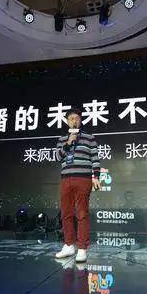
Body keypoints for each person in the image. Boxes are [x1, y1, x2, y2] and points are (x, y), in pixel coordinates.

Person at [54, 107, 101, 262]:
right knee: (66, 213)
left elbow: (95, 158)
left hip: (83, 179)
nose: (74, 120)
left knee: (82, 213)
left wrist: (96, 176)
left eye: (76, 118)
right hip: (66, 179)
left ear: (80, 120)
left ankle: (82, 248)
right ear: (67, 121)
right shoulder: (62, 139)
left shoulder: (89, 138)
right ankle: (69, 245)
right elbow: (57, 157)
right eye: (71, 118)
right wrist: (68, 143)